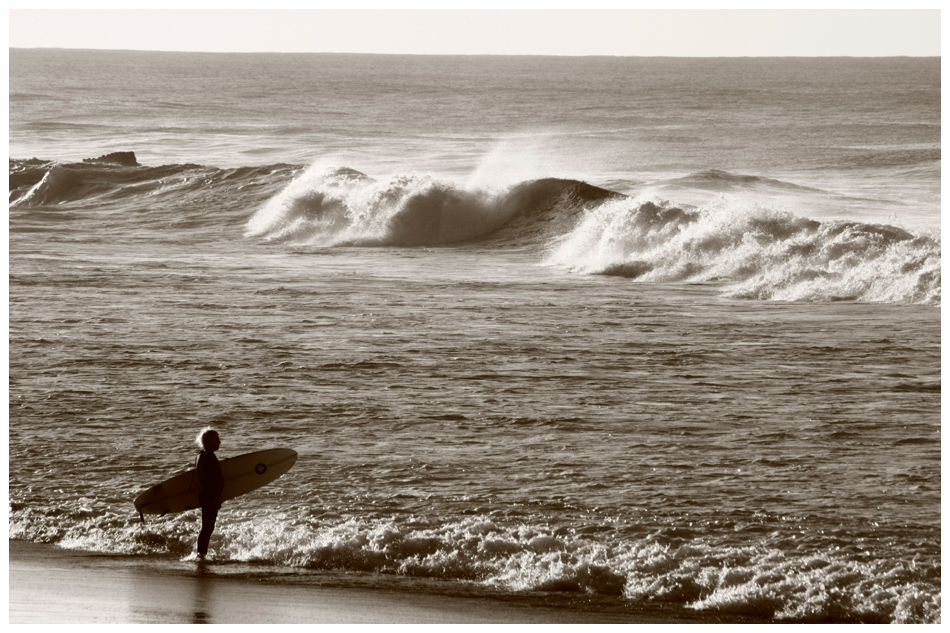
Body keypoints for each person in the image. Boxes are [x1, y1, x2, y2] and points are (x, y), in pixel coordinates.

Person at [195, 427, 224, 559]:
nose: (219, 442)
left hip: (208, 497)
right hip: (209, 497)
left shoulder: (202, 456)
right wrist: (214, 498)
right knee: (207, 528)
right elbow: (209, 481)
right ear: (211, 441)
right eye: (217, 440)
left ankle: (201, 554)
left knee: (207, 527)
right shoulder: (208, 458)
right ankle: (201, 555)